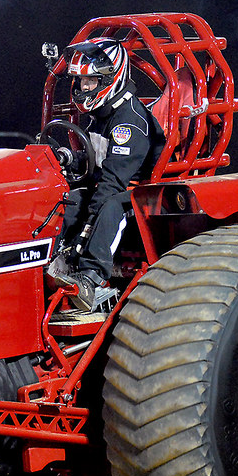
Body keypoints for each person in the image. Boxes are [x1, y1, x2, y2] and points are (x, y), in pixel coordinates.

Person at [47, 38, 165, 312]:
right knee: (73, 197)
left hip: (141, 190)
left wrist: (84, 237)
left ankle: (92, 278)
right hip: (114, 180)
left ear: (111, 78)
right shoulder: (104, 112)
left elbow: (113, 181)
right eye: (80, 82)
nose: (83, 88)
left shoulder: (128, 121)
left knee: (111, 206)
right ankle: (56, 257)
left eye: (90, 81)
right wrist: (69, 158)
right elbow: (98, 159)